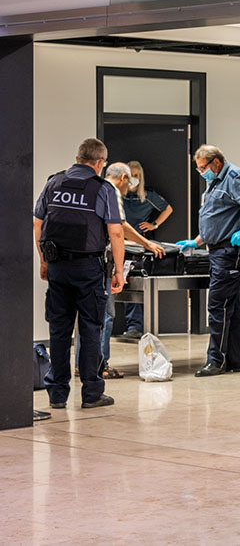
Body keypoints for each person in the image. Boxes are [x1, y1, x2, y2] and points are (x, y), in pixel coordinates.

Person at [33, 138, 125, 409]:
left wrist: (43, 261)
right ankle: (92, 393)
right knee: (90, 329)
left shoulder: (54, 182)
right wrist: (118, 271)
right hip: (88, 269)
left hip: (58, 266)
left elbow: (38, 224)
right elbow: (116, 231)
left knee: (59, 330)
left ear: (77, 157)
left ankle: (57, 395)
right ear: (99, 163)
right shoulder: (102, 188)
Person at [177, 145, 240, 377]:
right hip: (218, 249)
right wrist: (197, 241)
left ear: (216, 163)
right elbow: (218, 216)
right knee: (230, 306)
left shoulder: (233, 177)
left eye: (203, 168)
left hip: (231, 250)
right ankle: (235, 360)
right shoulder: (214, 183)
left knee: (217, 305)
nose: (202, 172)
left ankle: (215, 360)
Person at [75, 162, 165, 377]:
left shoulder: (91, 188)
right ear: (124, 177)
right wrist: (147, 244)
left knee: (86, 315)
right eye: (129, 180)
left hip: (79, 260)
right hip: (99, 261)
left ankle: (83, 364)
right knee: (104, 314)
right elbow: (119, 228)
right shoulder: (111, 191)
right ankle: (100, 365)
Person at [121, 160, 173, 338]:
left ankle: (140, 326)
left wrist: (154, 225)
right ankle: (132, 325)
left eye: (137, 176)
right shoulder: (118, 195)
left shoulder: (148, 196)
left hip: (141, 245)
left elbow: (168, 209)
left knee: (140, 284)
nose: (133, 179)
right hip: (122, 243)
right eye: (131, 175)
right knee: (126, 284)